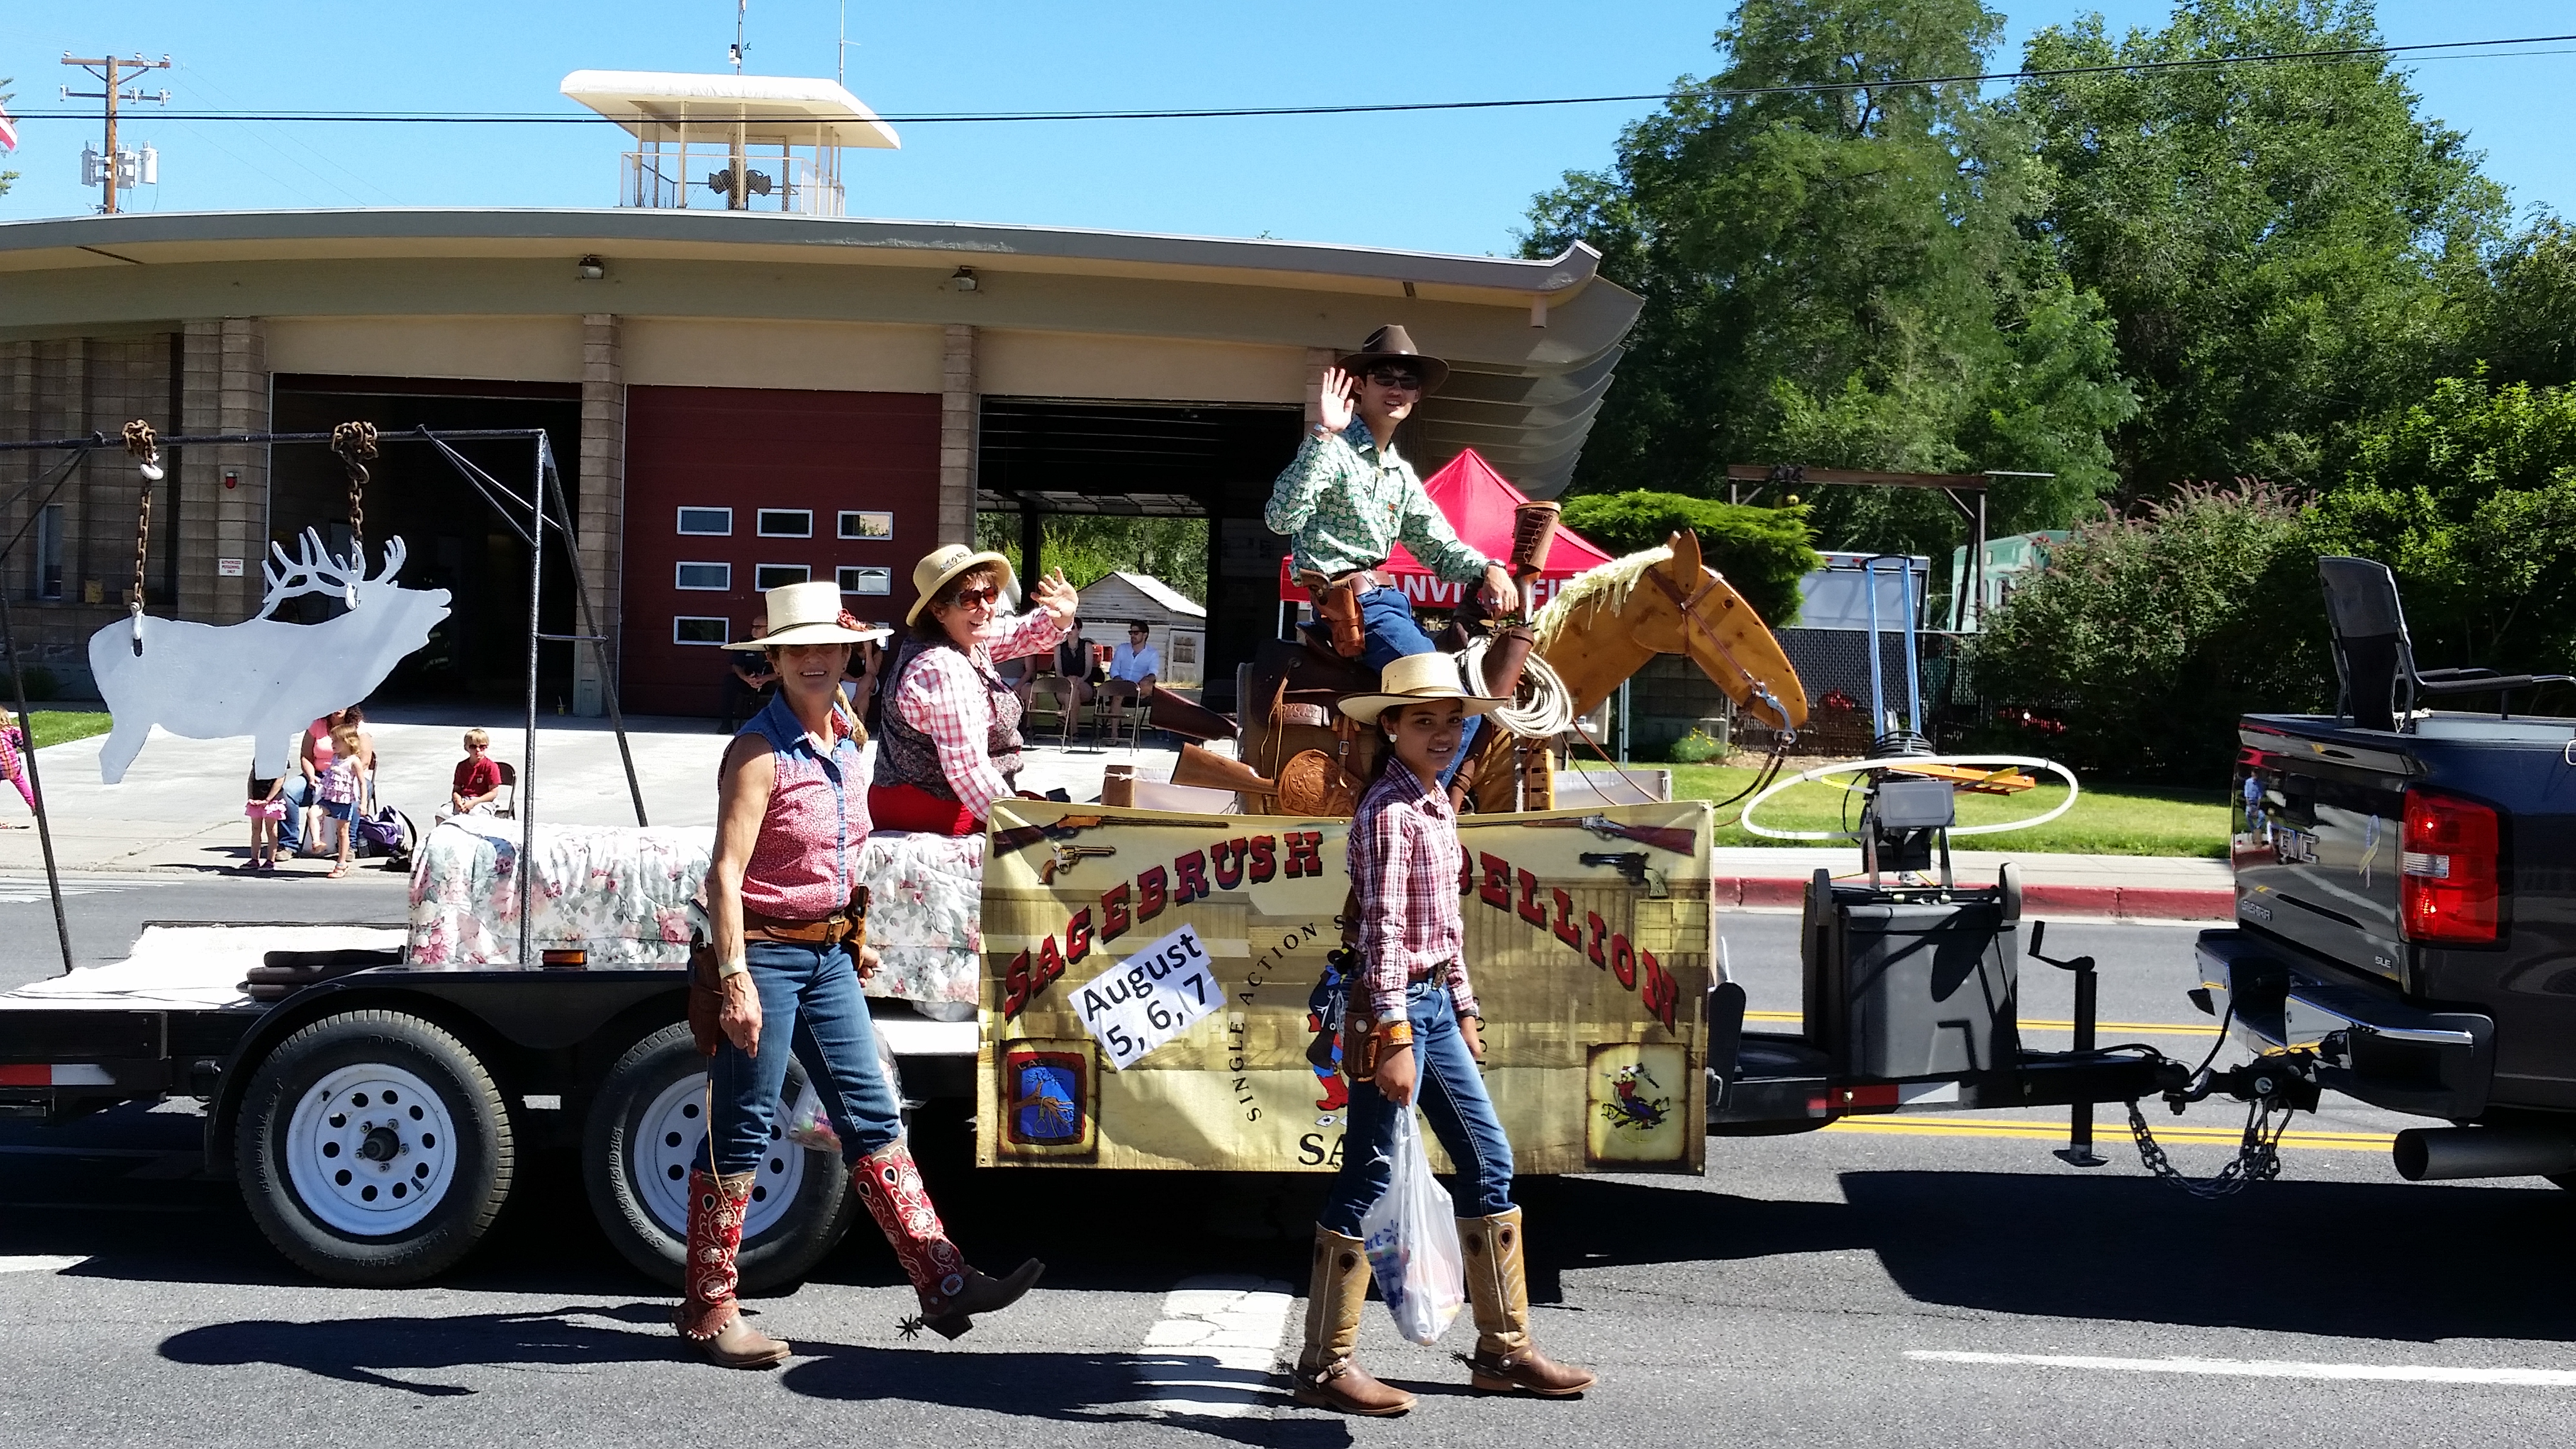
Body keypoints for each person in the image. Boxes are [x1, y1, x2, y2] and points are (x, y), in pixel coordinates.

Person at [688, 580, 1043, 1368]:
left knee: (872, 1113)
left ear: (851, 653)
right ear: (774, 661)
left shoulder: (846, 735)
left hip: (830, 955)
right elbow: (724, 874)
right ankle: (710, 1307)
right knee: (745, 1123)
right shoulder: (756, 751)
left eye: (831, 647)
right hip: (768, 954)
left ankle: (943, 1281)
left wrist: (857, 929)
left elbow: (845, 849)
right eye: (800, 649)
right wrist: (737, 977)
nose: (818, 661)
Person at [1291, 651, 1595, 1416]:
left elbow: (1445, 927)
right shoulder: (1391, 812)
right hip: (1390, 1008)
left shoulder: (1433, 803)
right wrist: (1394, 1030)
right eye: (1422, 721)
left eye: (1452, 722)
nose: (1442, 734)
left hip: (1430, 1008)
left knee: (1489, 1157)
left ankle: (1504, 1351)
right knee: (1366, 1175)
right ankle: (1323, 1366)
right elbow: (1387, 931)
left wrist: (1463, 1004)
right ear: (1389, 726)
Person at [1265, 326, 1517, 782]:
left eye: (1408, 381)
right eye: (1385, 377)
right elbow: (1281, 518)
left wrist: (1490, 567)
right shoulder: (1333, 451)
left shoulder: (1399, 474)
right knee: (1455, 707)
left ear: (1417, 395)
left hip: (1389, 606)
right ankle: (1419, 808)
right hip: (1355, 606)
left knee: (1461, 686)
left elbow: (1439, 547)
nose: (1397, 388)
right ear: (1360, 386)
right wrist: (1323, 433)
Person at [870, 545, 1080, 834]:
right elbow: (967, 769)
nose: (985, 608)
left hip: (954, 802)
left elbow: (1021, 633)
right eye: (969, 599)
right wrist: (1022, 829)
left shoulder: (966, 639)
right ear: (938, 610)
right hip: (934, 815)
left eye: (990, 594)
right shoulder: (942, 668)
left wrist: (1062, 615)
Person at [317, 719, 370, 879]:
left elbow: (362, 782)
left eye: (336, 742)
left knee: (342, 832)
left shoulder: (354, 761)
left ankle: (341, 863)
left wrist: (363, 803)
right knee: (313, 813)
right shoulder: (335, 757)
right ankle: (317, 841)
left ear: (348, 742)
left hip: (345, 800)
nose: (332, 745)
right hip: (329, 797)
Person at [719, 616, 777, 733]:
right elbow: (736, 665)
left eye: (758, 627)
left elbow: (786, 669)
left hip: (771, 681)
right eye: (753, 627)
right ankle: (726, 724)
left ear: (768, 629)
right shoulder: (745, 642)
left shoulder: (776, 644)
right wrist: (746, 678)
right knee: (730, 681)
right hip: (749, 680)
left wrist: (767, 678)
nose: (754, 630)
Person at [441, 728, 504, 822]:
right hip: (464, 799)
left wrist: (474, 802)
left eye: (482, 747)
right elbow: (456, 790)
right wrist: (458, 801)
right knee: (442, 814)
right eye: (473, 747)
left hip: (484, 800)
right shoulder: (462, 766)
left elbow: (493, 793)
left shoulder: (491, 767)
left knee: (474, 816)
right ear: (466, 748)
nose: (478, 750)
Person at [243, 764, 285, 870]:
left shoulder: (280, 758)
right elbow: (252, 777)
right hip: (256, 799)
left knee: (271, 830)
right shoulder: (260, 757)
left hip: (272, 800)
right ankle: (254, 860)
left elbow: (280, 780)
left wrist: (268, 799)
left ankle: (270, 861)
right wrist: (250, 797)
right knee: (256, 829)